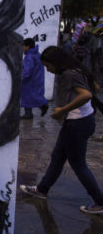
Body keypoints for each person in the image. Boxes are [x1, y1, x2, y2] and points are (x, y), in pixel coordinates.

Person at [20, 46, 103, 214]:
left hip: (77, 124)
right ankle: (42, 189)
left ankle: (100, 202)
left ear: (56, 63)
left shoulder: (68, 74)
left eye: (48, 66)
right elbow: (96, 88)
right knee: (57, 157)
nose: (48, 70)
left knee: (78, 164)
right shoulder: (77, 70)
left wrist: (63, 109)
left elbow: (86, 95)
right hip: (80, 121)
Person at [20, 38, 48, 119]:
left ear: (27, 47)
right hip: (36, 79)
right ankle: (42, 106)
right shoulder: (36, 54)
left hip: (30, 81)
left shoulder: (29, 57)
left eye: (23, 46)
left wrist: (21, 77)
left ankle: (30, 113)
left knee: (27, 96)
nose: (22, 48)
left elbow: (27, 70)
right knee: (35, 95)